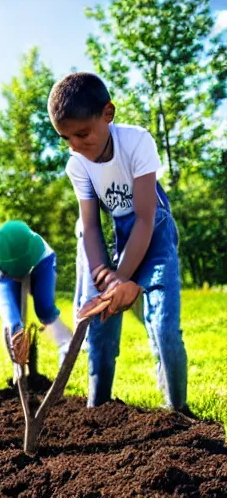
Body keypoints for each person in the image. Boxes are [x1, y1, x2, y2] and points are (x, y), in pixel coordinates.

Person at [47, 71, 188, 412]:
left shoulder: (137, 142)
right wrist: (104, 277)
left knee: (163, 326)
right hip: (116, 239)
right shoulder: (77, 163)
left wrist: (124, 277)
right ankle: (99, 409)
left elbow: (144, 217)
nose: (76, 145)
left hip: (153, 235)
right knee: (100, 326)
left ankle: (177, 411)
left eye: (82, 134)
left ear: (107, 114)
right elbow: (91, 228)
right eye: (66, 138)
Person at [0, 220, 72, 376]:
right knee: (13, 322)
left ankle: (65, 343)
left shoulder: (39, 250)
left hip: (40, 264)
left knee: (45, 308)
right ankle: (19, 368)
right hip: (3, 275)